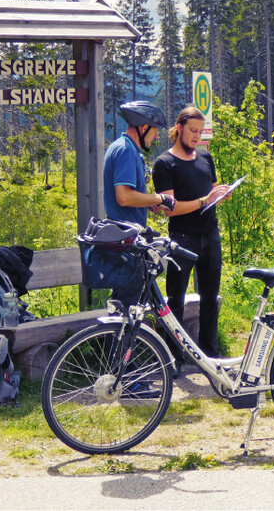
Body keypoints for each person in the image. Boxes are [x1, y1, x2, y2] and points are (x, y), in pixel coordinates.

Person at [152, 107, 231, 358]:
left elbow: (213, 194)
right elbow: (170, 210)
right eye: (193, 131)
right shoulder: (164, 163)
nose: (197, 136)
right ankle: (170, 358)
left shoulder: (206, 157)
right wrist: (203, 200)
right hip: (181, 239)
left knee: (211, 298)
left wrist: (221, 195)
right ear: (179, 129)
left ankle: (210, 354)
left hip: (210, 235)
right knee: (175, 301)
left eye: (200, 131)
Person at [102, 101, 174, 308]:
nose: (157, 136)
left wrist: (148, 203)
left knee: (128, 304)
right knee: (126, 306)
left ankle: (126, 341)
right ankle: (119, 341)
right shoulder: (125, 151)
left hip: (127, 239)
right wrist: (159, 198)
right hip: (127, 241)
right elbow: (124, 197)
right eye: (155, 131)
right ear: (143, 128)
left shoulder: (125, 148)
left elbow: (131, 197)